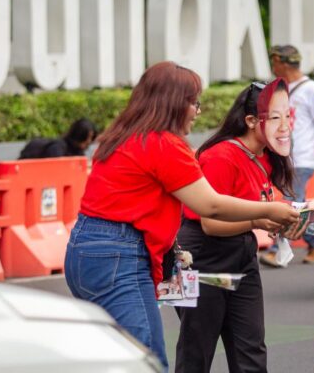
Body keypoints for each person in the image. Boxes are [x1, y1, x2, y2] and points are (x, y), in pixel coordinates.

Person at [63, 61, 299, 370]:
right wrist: (268, 211)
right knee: (148, 361)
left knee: (116, 359)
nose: (197, 111)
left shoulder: (123, 136)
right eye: (194, 103)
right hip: (122, 254)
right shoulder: (167, 145)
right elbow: (210, 208)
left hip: (88, 249)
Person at [175, 79, 299, 373]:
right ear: (252, 120)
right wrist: (259, 219)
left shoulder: (266, 157)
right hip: (203, 260)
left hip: (242, 256)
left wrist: (292, 221)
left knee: (251, 351)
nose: (284, 126)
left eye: (287, 116)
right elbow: (211, 225)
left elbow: (267, 203)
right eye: (275, 118)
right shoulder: (220, 156)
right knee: (197, 351)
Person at [259, 45, 314, 266]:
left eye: (274, 63)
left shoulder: (311, 89)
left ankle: (277, 251)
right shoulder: (281, 89)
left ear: (282, 63)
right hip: (284, 157)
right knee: (296, 202)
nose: (272, 67)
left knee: (292, 204)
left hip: (302, 158)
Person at [19, 118, 98, 159]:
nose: (88, 142)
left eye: (91, 139)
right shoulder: (58, 148)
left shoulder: (78, 152)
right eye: (85, 139)